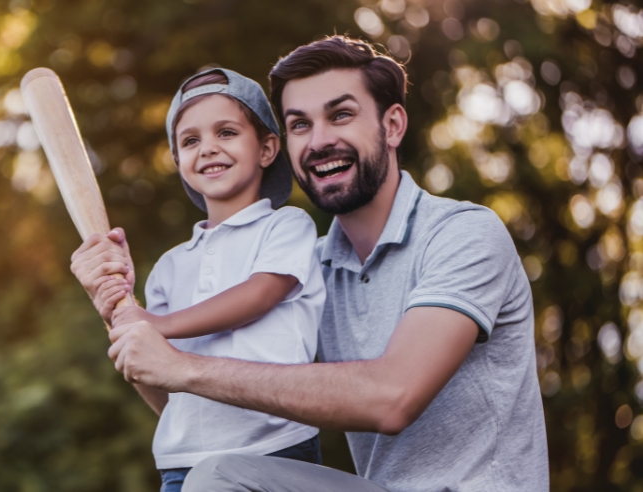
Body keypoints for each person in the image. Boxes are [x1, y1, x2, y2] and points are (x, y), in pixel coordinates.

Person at [72, 35, 548, 491]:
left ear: (393, 125)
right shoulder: (313, 268)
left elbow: (394, 397)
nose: (318, 141)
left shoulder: (462, 234)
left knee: (218, 481)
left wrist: (180, 362)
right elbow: (210, 409)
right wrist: (122, 315)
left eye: (340, 115)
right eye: (300, 124)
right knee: (217, 476)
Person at [82, 68, 327, 492]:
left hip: (274, 449)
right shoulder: (171, 266)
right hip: (182, 463)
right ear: (178, 162)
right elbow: (152, 366)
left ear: (268, 147)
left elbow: (260, 294)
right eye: (191, 141)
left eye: (226, 132)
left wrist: (156, 323)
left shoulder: (286, 226)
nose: (208, 148)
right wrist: (116, 305)